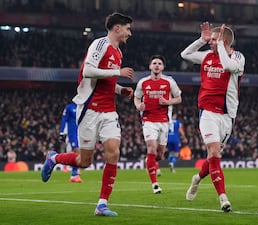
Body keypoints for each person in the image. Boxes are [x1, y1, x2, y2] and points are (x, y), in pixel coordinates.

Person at [41, 12, 134, 217]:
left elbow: (106, 81)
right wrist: (118, 73)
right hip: (89, 109)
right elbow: (88, 72)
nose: (130, 33)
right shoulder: (99, 45)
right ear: (116, 28)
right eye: (127, 28)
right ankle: (54, 158)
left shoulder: (118, 53)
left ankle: (102, 204)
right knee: (84, 161)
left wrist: (120, 90)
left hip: (109, 110)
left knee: (114, 153)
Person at [180, 22, 245, 212]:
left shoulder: (238, 57)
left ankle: (197, 178)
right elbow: (185, 55)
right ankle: (223, 198)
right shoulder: (207, 56)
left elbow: (227, 66)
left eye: (214, 40)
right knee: (214, 153)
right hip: (207, 112)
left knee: (214, 157)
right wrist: (202, 39)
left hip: (227, 115)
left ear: (224, 41)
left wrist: (222, 47)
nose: (210, 43)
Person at [134, 54, 182, 194]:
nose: (156, 65)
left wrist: (168, 102)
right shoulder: (143, 82)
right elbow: (137, 98)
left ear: (163, 67)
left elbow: (178, 98)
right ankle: (155, 184)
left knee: (159, 155)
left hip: (164, 122)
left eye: (159, 63)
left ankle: (151, 162)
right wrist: (138, 106)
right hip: (149, 120)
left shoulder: (169, 82)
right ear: (150, 66)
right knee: (151, 147)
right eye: (154, 63)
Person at [59, 102, 83, 183]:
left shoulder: (83, 107)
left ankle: (74, 172)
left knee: (76, 153)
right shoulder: (69, 107)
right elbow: (64, 119)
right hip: (71, 133)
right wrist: (62, 133)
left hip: (80, 133)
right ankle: (74, 174)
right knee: (76, 152)